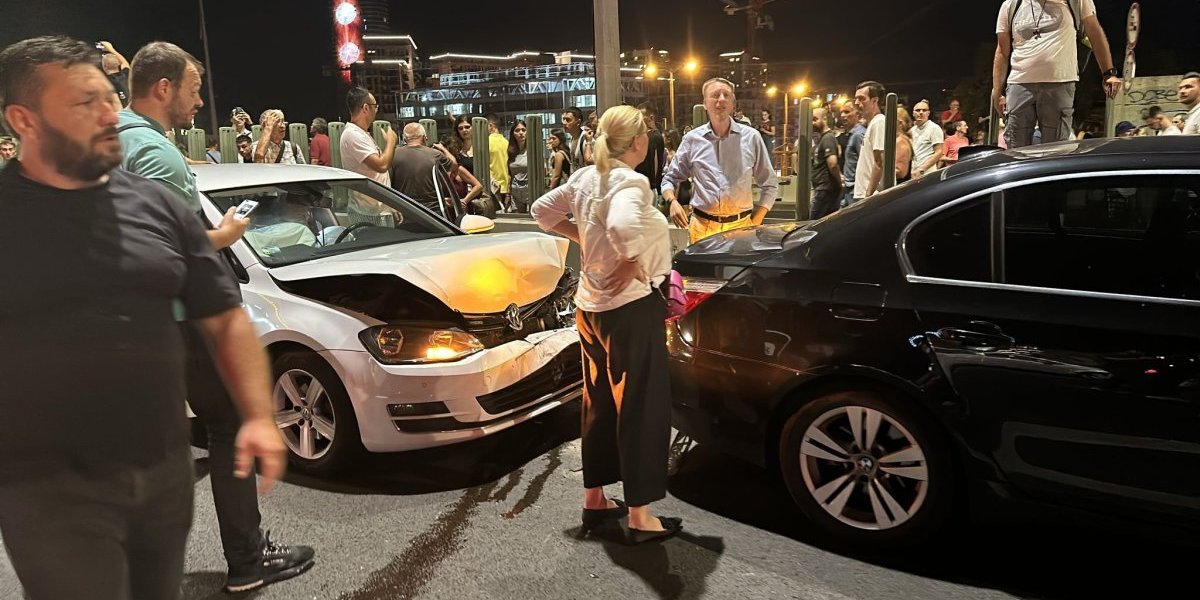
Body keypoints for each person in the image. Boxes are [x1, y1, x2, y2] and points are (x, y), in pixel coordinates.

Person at [0, 35, 287, 600]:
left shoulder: (151, 203)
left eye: (110, 96)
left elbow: (224, 313)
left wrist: (256, 413)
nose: (111, 113)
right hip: (51, 487)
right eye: (86, 103)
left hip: (160, 475)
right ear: (23, 120)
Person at [118, 40, 314, 593]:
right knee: (230, 427)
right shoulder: (156, 154)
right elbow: (173, 246)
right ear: (163, 88)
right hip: (186, 314)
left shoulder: (114, 139)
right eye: (194, 88)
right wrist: (223, 236)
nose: (200, 101)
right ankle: (249, 561)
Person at [530, 105, 680, 544]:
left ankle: (595, 498)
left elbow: (542, 211)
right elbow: (620, 226)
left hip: (590, 308)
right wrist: (630, 263)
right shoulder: (632, 181)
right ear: (637, 143)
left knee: (597, 402)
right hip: (628, 308)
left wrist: (585, 242)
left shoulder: (583, 176)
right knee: (641, 404)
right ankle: (640, 516)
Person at [661, 77, 779, 243]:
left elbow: (770, 184)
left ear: (733, 103)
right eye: (715, 95)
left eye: (727, 95)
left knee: (739, 270)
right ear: (705, 103)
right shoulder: (692, 139)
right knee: (700, 270)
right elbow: (670, 178)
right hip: (702, 228)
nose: (721, 99)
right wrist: (672, 202)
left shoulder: (751, 137)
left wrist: (756, 220)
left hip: (741, 227)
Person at [992, 0, 1122, 148]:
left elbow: (1094, 32)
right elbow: (1002, 51)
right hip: (1019, 84)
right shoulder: (1011, 5)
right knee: (1016, 149)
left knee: (1055, 150)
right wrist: (997, 92)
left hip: (1060, 83)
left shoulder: (1076, 2)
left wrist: (1108, 72)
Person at [340, 86, 399, 225]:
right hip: (367, 212)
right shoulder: (352, 134)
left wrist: (390, 205)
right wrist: (391, 141)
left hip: (377, 209)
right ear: (366, 108)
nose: (376, 110)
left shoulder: (361, 133)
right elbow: (382, 165)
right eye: (375, 106)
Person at [390, 122, 455, 215]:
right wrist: (443, 149)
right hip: (432, 212)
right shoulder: (435, 154)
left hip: (404, 211)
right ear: (424, 138)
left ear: (404, 139)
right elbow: (454, 165)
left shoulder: (393, 154)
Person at [852, 80, 887, 202]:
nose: (857, 103)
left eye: (862, 99)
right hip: (866, 194)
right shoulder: (873, 123)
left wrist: (868, 194)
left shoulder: (879, 122)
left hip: (871, 197)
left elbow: (880, 161)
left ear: (875, 101)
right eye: (856, 99)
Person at [809, 107, 842, 219]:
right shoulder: (823, 139)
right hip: (823, 189)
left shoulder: (828, 138)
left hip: (825, 189)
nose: (813, 123)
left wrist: (840, 181)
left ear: (824, 119)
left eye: (815, 119)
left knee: (812, 224)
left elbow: (832, 164)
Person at [634, 102, 668, 203]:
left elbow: (656, 162)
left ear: (651, 117)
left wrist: (654, 185)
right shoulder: (648, 135)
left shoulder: (654, 136)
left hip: (648, 188)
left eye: (641, 116)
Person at [839, 102, 865, 208]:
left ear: (857, 114)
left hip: (855, 188)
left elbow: (865, 161)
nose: (843, 116)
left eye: (847, 112)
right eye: (841, 112)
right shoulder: (851, 134)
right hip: (849, 187)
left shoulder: (858, 135)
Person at [910, 100, 944, 179]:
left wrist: (922, 169)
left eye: (924, 110)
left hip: (928, 173)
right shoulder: (912, 130)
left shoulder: (934, 128)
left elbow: (939, 152)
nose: (921, 112)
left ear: (928, 113)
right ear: (913, 113)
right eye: (918, 110)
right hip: (914, 173)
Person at [485, 112, 510, 209]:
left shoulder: (486, 142)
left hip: (492, 187)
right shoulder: (506, 142)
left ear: (490, 126)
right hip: (506, 188)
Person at [98, 40, 131, 107]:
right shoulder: (127, 74)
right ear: (118, 63)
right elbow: (124, 62)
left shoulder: (104, 82)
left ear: (104, 67)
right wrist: (111, 49)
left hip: (122, 115)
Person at [507, 119, 531, 212]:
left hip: (530, 192)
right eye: (517, 130)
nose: (521, 133)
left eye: (523, 130)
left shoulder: (531, 150)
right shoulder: (511, 151)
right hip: (515, 192)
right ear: (513, 133)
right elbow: (510, 175)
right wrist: (508, 195)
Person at [895, 106, 914, 184]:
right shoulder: (899, 140)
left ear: (899, 122)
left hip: (898, 188)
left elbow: (900, 172)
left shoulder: (901, 142)